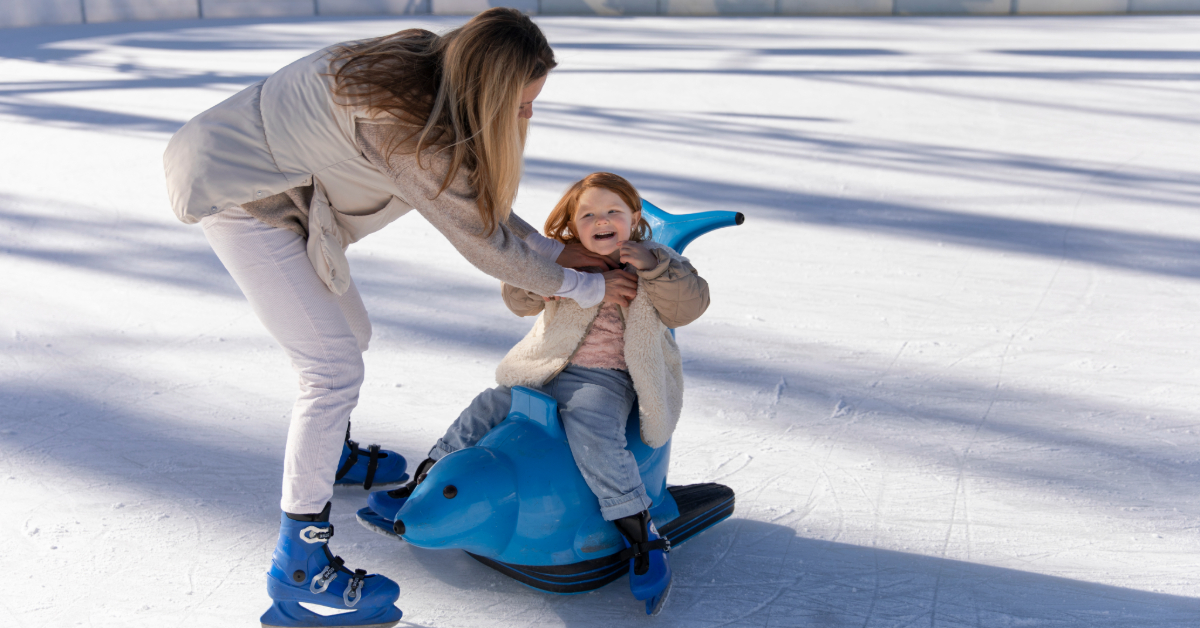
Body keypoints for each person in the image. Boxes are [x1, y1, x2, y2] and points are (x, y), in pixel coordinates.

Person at [162, 9, 636, 628]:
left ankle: (327, 454)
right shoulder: (403, 128)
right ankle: (298, 563)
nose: (526, 119)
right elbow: (479, 240)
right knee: (330, 368)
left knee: (348, 334)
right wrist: (582, 286)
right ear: (486, 90)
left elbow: (470, 198)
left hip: (277, 180)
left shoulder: (429, 62)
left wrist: (555, 251)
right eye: (521, 106)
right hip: (238, 192)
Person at [368, 172, 710, 615]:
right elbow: (518, 299)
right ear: (573, 223)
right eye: (588, 214)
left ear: (635, 218)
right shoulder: (563, 259)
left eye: (613, 212)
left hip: (603, 378)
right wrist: (551, 274)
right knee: (484, 408)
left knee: (593, 432)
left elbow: (690, 305)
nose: (601, 221)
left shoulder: (656, 262)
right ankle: (424, 480)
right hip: (544, 367)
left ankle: (641, 533)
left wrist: (655, 264)